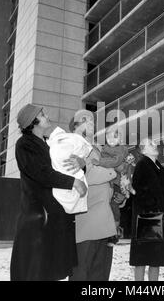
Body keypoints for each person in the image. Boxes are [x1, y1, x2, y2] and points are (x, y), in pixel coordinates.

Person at [10, 104, 87, 281]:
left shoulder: (47, 143)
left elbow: (63, 168)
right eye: (43, 115)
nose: (47, 116)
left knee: (49, 271)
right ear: (33, 122)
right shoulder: (25, 144)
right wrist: (72, 182)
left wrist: (81, 164)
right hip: (38, 216)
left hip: (52, 215)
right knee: (35, 270)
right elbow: (41, 172)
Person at [68, 112, 118, 281]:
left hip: (104, 218)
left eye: (91, 119)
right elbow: (87, 173)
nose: (90, 122)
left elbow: (102, 172)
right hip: (86, 219)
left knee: (100, 274)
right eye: (84, 120)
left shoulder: (98, 147)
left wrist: (117, 192)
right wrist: (114, 172)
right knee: (82, 272)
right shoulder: (73, 143)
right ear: (74, 125)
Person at [129, 138, 164, 281]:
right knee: (142, 259)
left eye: (154, 143)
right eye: (151, 144)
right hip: (147, 218)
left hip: (160, 218)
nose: (155, 145)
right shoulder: (142, 165)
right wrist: (151, 207)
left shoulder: (160, 168)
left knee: (156, 260)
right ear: (143, 150)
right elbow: (138, 192)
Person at [91, 127, 136, 245]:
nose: (110, 139)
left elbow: (116, 162)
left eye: (114, 137)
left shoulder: (121, 149)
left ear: (120, 139)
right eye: (108, 137)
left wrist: (100, 162)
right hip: (110, 182)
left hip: (118, 181)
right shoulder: (104, 148)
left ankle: (114, 232)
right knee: (110, 205)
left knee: (114, 205)